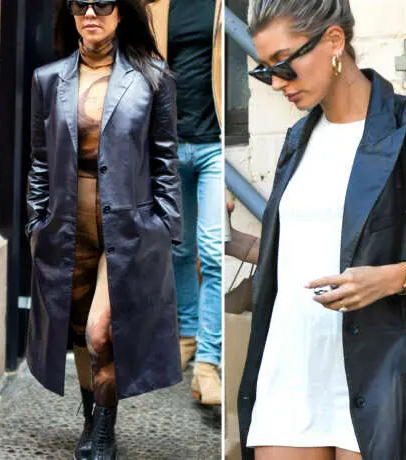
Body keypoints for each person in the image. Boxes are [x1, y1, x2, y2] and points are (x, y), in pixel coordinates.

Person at [224, 1, 406, 458]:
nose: (276, 83)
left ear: (334, 41)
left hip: (377, 374)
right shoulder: (298, 140)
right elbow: (307, 251)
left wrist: (396, 277)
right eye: (265, 71)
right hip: (292, 366)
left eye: (284, 65)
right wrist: (233, 241)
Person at [26, 1, 182, 458]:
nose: (91, 12)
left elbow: (165, 159)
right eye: (81, 3)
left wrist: (165, 227)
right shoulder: (48, 79)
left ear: (122, 13)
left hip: (128, 229)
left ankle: (104, 429)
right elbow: (40, 160)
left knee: (100, 332)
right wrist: (35, 224)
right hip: (65, 227)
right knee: (79, 333)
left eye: (104, 2)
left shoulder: (152, 78)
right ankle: (90, 419)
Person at [145, 0, 224, 406]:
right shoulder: (158, 7)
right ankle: (188, 335)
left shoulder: (221, 6)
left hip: (214, 145)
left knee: (211, 252)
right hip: (172, 144)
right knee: (178, 247)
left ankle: (208, 363)